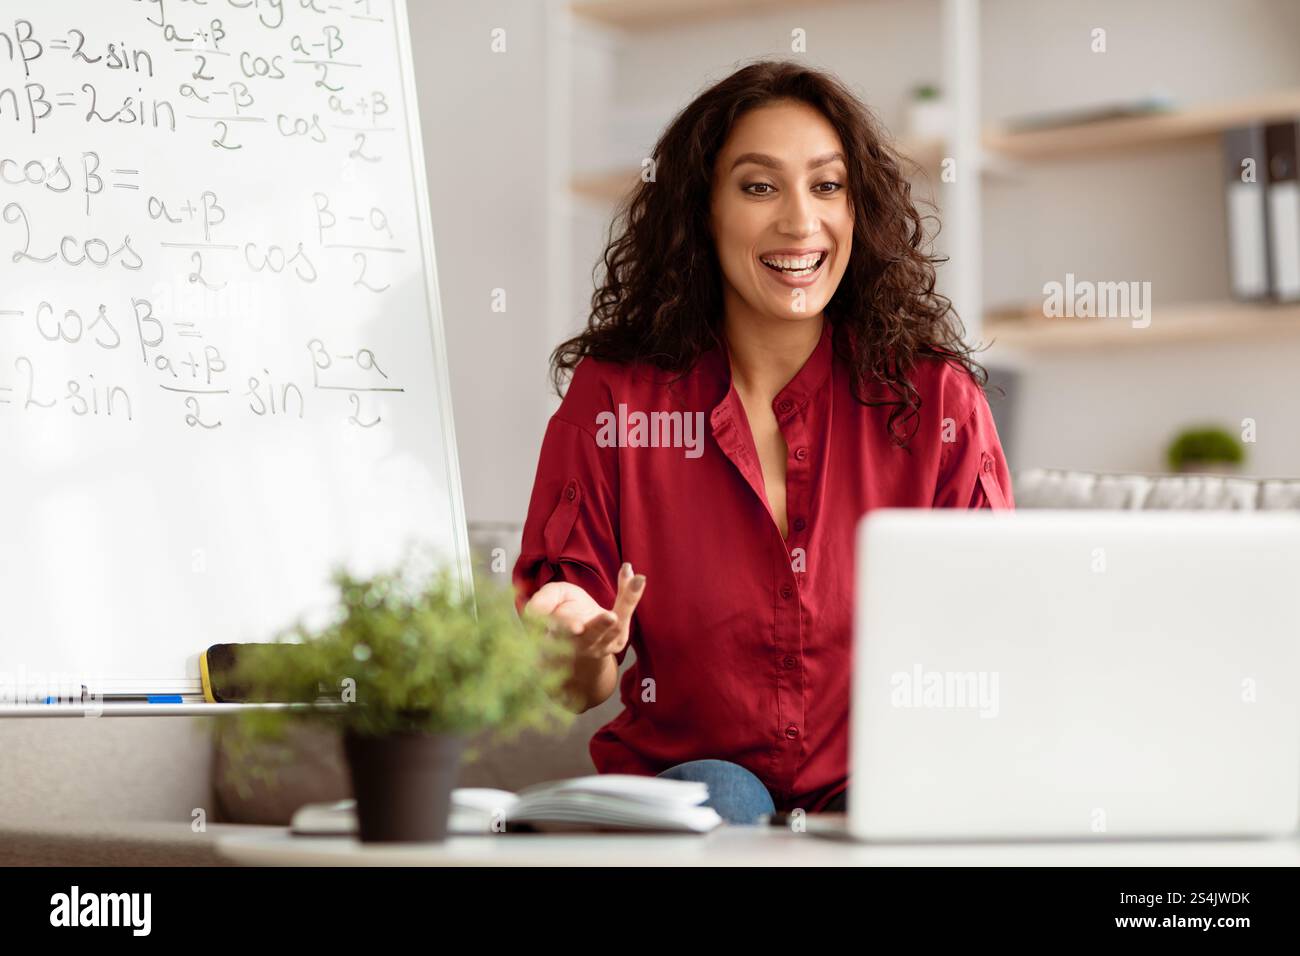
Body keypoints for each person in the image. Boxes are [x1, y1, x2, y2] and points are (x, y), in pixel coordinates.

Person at [513, 60, 1014, 826]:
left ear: (859, 208)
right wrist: (578, 641)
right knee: (726, 790)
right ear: (702, 211)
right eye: (758, 186)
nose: (799, 222)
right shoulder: (616, 400)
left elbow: (992, 643)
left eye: (826, 185)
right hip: (699, 798)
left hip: (880, 788)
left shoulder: (937, 401)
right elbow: (576, 682)